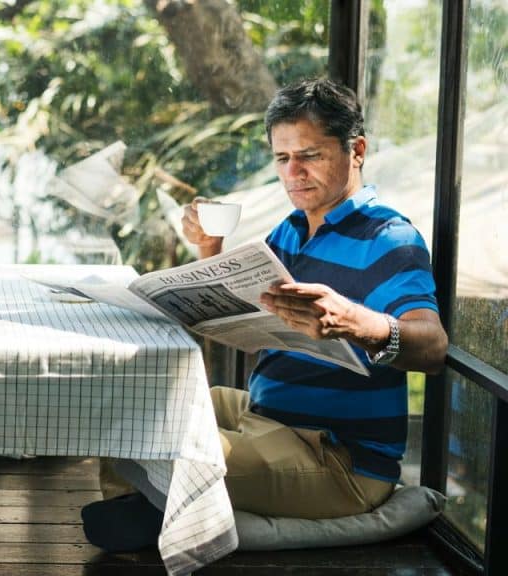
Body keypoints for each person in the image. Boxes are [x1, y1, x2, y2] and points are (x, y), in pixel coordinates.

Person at [83, 77, 449, 551]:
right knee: (133, 405)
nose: (293, 172)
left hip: (336, 458)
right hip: (264, 416)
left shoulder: (390, 238)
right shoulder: (292, 229)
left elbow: (434, 347)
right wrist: (209, 250)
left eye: (310, 155)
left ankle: (152, 522)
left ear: (356, 150)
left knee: (176, 453)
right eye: (282, 158)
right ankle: (153, 515)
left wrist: (355, 322)